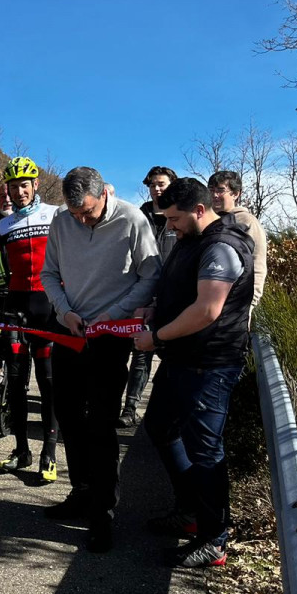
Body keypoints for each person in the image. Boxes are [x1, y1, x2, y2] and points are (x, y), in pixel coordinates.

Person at [133, 178, 254, 568]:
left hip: (209, 365)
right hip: (180, 358)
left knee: (205, 451)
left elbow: (207, 310)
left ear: (199, 210)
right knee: (161, 427)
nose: (170, 226)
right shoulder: (191, 240)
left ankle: (214, 538)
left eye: (174, 218)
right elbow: (181, 291)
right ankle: (189, 511)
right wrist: (156, 309)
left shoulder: (222, 246)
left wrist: (156, 336)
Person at [41, 167, 160, 552]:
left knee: (101, 424)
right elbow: (49, 274)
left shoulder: (132, 219)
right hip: (71, 332)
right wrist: (64, 312)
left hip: (111, 337)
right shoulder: (62, 221)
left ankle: (103, 513)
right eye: (74, 213)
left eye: (87, 212)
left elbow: (150, 276)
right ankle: (81, 492)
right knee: (69, 416)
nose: (80, 219)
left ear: (103, 196)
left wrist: (117, 313)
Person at [0, 157, 62, 483]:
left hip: (48, 309)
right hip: (15, 308)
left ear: (35, 185)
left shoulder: (56, 216)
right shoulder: (3, 227)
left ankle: (49, 449)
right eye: (13, 186)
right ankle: (22, 449)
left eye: (24, 185)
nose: (19, 192)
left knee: (48, 382)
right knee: (16, 384)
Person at [120, 166, 179, 427]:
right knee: (140, 353)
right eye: (153, 184)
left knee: (172, 356)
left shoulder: (179, 215)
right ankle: (130, 408)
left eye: (162, 183)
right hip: (143, 293)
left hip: (172, 297)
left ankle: (169, 413)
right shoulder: (140, 215)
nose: (157, 188)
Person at [208, 171, 267, 311]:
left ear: (236, 194)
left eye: (221, 190)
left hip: (237, 305)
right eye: (211, 190)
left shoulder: (248, 221)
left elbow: (258, 264)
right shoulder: (206, 221)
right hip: (207, 301)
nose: (215, 195)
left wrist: (250, 304)